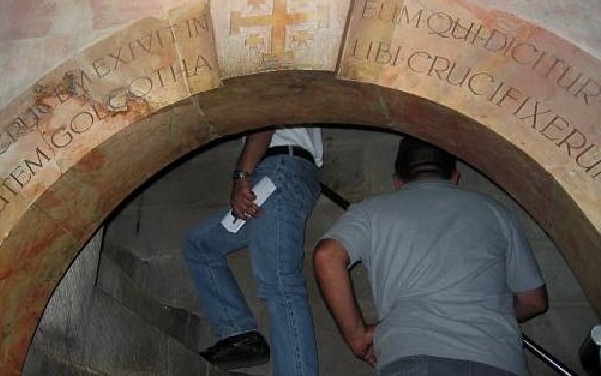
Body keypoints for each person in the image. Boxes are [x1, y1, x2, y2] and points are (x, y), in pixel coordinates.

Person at [313, 135, 548, 376]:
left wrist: (357, 336)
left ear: (397, 182)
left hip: (413, 358)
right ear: (455, 178)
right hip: (499, 360)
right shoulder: (496, 212)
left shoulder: (371, 211)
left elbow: (327, 255)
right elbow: (534, 301)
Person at [183, 127, 323, 375]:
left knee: (279, 282)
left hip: (280, 170)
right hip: (283, 174)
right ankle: (239, 334)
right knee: (201, 245)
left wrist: (241, 175)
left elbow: (267, 117)